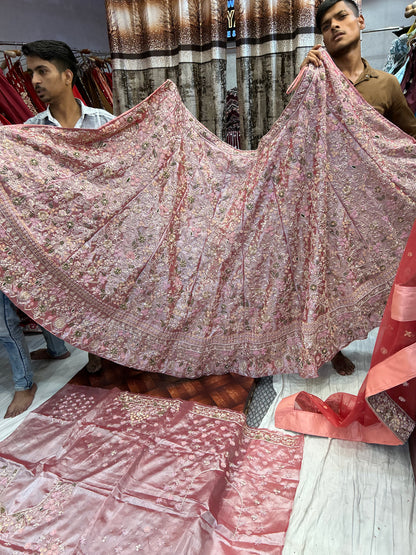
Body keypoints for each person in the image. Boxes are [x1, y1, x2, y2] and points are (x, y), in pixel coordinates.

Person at [300, 0, 416, 376]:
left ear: (361, 22)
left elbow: (409, 139)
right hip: (325, 201)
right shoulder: (315, 80)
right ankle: (330, 344)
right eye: (327, 24)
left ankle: (389, 345)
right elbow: (294, 138)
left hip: (369, 204)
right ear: (322, 38)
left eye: (342, 17)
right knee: (327, 277)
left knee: (375, 271)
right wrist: (304, 75)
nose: (335, 26)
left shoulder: (386, 84)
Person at [1, 40, 114, 418]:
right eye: (30, 72)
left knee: (103, 298)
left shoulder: (104, 123)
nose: (33, 80)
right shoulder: (30, 133)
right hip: (56, 237)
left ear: (67, 76)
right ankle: (71, 351)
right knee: (63, 300)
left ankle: (100, 351)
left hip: (99, 233)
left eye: (41, 71)